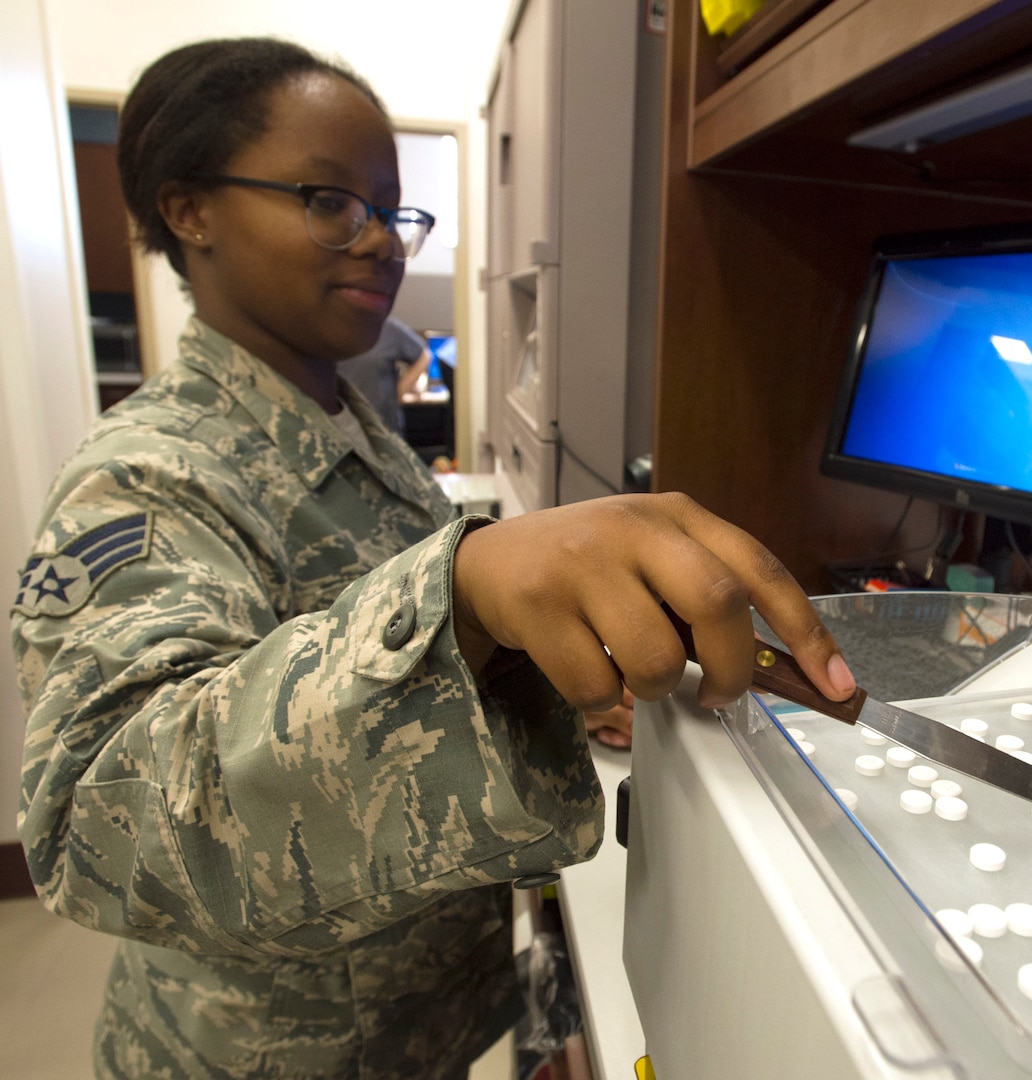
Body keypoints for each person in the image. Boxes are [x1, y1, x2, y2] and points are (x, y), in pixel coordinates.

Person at [11, 38, 854, 1078]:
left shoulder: (355, 426)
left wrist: (533, 683)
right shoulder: (148, 476)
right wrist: (454, 595)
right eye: (330, 201)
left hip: (421, 1029)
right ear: (190, 211)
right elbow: (99, 831)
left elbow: (377, 693)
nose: (380, 243)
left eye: (392, 209)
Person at [340, 316, 432, 436]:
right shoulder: (329, 328)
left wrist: (400, 391)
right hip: (341, 426)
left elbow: (423, 356)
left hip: (383, 427)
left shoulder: (386, 328)